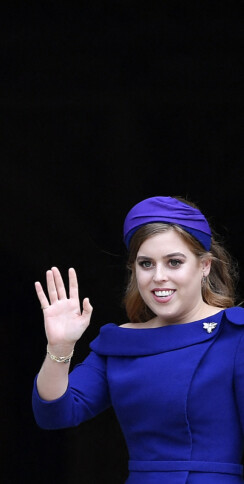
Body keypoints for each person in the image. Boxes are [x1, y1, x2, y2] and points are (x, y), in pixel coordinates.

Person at [32, 195, 244, 483]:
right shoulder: (119, 342)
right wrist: (59, 347)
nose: (158, 276)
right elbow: (55, 414)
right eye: (146, 264)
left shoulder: (235, 335)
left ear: (204, 266)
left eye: (174, 262)